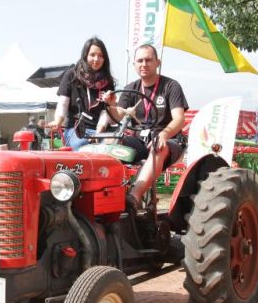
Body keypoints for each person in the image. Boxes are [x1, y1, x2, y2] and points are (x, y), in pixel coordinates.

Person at [106, 44, 187, 210]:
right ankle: (107, 194)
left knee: (158, 146)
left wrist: (164, 135)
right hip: (140, 142)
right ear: (134, 64)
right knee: (109, 141)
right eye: (140, 60)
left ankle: (133, 197)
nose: (144, 64)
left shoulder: (171, 86)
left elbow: (179, 119)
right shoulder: (130, 88)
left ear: (158, 62)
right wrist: (112, 104)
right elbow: (117, 119)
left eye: (149, 60)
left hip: (169, 142)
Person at [48, 37, 117, 150]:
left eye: (100, 55)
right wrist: (58, 120)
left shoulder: (108, 81)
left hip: (100, 130)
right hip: (76, 129)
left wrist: (99, 132)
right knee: (82, 146)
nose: (96, 59)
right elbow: (63, 103)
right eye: (92, 55)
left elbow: (105, 111)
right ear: (85, 56)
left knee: (115, 147)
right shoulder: (71, 75)